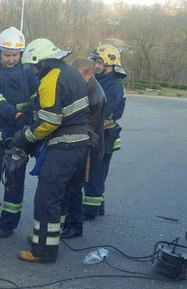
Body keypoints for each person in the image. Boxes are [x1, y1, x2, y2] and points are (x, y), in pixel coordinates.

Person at [11, 38, 89, 263]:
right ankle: (47, 237)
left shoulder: (50, 79)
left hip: (63, 147)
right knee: (61, 195)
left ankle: (43, 250)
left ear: (41, 62)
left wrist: (25, 138)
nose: (33, 71)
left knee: (47, 198)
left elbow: (50, 121)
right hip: (79, 145)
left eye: (33, 66)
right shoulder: (72, 72)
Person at [0, 27, 39, 238]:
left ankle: (8, 224)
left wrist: (30, 119)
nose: (11, 59)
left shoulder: (28, 72)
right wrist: (16, 115)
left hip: (18, 133)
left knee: (15, 181)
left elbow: (36, 96)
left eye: (15, 55)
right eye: (7, 55)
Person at [61, 57, 107, 239]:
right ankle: (67, 222)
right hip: (82, 147)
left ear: (89, 74)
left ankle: (75, 226)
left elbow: (87, 128)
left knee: (74, 189)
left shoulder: (94, 97)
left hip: (87, 150)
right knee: (69, 187)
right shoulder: (86, 88)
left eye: (78, 76)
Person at [83, 44, 126, 220]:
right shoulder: (97, 81)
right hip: (96, 133)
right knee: (95, 173)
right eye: (95, 61)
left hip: (104, 135)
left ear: (111, 64)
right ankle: (98, 206)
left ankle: (90, 210)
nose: (96, 65)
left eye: (100, 62)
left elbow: (105, 110)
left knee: (95, 173)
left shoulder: (114, 85)